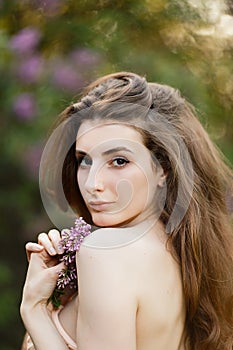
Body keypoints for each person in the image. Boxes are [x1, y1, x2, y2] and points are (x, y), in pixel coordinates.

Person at [20, 72, 233, 350]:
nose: (92, 183)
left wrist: (34, 309)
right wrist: (69, 293)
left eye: (118, 160)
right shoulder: (189, 255)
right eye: (84, 160)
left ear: (163, 169)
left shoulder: (106, 252)